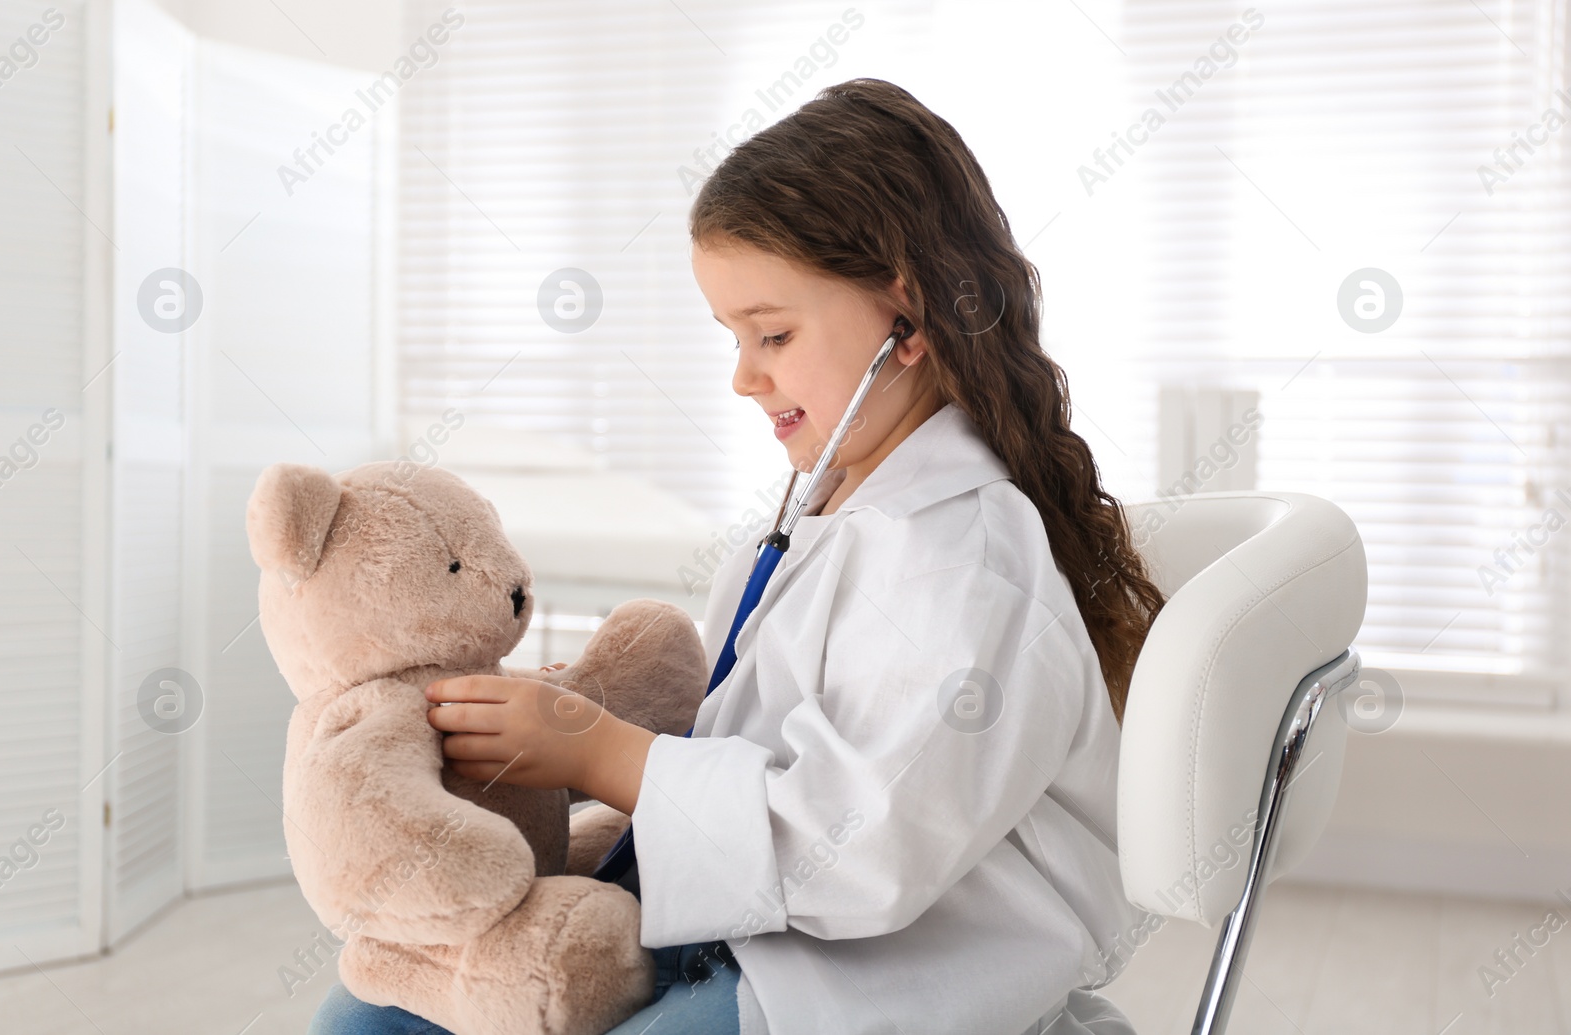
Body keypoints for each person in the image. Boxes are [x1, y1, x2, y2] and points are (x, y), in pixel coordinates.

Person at [308, 77, 1165, 1035]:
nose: (744, 375)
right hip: (761, 929)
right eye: (733, 336)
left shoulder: (963, 561)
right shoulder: (829, 511)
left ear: (909, 322)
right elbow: (751, 739)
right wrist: (587, 715)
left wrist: (597, 752)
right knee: (375, 1007)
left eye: (774, 333)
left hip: (891, 980)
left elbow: (861, 847)